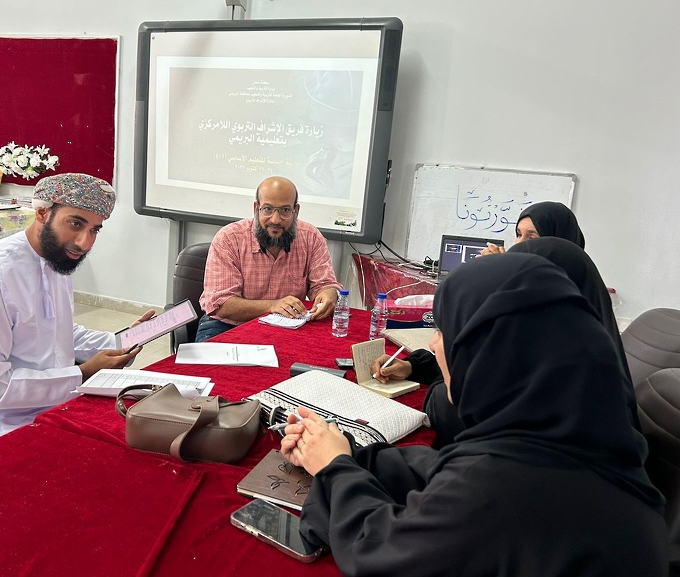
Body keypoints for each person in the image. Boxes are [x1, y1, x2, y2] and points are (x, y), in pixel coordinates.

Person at [281, 253, 667, 576]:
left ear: (493, 351)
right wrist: (354, 452)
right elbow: (442, 468)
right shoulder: (584, 433)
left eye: (445, 332)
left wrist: (334, 468)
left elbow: (381, 553)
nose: (433, 346)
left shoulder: (500, 490)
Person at [0, 173, 154, 461]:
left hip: (55, 406)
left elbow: (58, 331)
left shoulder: (55, 259)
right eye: (76, 224)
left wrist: (121, 340)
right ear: (41, 213)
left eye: (95, 230)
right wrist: (82, 373)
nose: (85, 242)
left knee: (147, 442)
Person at [419, 236, 641, 447]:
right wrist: (418, 365)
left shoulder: (591, 407)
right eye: (518, 234)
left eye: (531, 235)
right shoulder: (583, 360)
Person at [196, 176, 341, 342]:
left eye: (285, 210)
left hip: (287, 326)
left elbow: (324, 284)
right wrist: (272, 306)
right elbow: (221, 304)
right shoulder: (229, 239)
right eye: (268, 209)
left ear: (296, 211)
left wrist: (329, 293)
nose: (275, 220)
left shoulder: (311, 237)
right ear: (256, 208)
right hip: (228, 325)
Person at [481, 200, 585, 255]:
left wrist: (501, 272)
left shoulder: (568, 285)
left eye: (531, 238)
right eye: (519, 235)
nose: (518, 243)